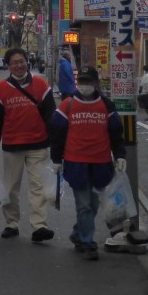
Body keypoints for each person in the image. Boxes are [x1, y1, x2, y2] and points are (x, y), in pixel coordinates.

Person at [49, 65, 126, 261]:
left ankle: (78, 233)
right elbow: (57, 134)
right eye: (81, 81)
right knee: (84, 204)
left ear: (96, 83)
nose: (84, 85)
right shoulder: (67, 105)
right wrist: (56, 160)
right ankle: (88, 242)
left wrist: (120, 155)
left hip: (100, 162)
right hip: (76, 162)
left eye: (88, 81)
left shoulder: (107, 106)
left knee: (93, 203)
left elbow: (116, 133)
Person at [0, 47, 57, 242]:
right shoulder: (1, 89)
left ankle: (39, 226)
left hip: (38, 143)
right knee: (11, 188)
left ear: (27, 62)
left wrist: (56, 145)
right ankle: (11, 223)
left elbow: (51, 115)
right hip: (12, 144)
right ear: (8, 66)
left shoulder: (41, 85)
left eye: (21, 61)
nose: (19, 65)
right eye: (14, 63)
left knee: (38, 187)